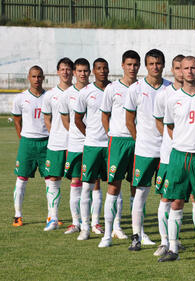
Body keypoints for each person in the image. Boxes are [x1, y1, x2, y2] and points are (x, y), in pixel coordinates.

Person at [158, 56, 195, 262]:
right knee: (176, 201)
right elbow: (170, 126)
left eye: (193, 68)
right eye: (185, 68)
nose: (189, 71)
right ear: (179, 70)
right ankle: (173, 248)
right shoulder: (172, 98)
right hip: (179, 156)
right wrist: (183, 143)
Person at [125, 49, 171, 251]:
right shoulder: (135, 89)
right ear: (146, 65)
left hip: (167, 150)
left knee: (167, 195)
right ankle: (136, 235)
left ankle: (166, 240)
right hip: (144, 150)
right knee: (140, 193)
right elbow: (129, 120)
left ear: (163, 64)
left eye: (159, 63)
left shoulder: (170, 88)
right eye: (152, 64)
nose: (155, 67)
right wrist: (140, 140)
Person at [98, 50, 141, 247]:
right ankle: (107, 234)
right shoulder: (112, 88)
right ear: (123, 65)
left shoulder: (143, 88)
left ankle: (137, 234)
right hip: (118, 141)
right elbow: (104, 114)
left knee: (137, 188)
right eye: (129, 64)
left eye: (135, 65)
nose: (132, 68)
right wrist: (110, 134)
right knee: (113, 186)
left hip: (139, 142)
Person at [74, 58, 110, 240]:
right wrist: (90, 134)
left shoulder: (115, 89)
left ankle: (107, 225)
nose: (102, 71)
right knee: (87, 186)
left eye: (105, 68)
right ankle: (85, 227)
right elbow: (77, 119)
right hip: (92, 146)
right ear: (93, 71)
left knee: (113, 186)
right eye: (99, 68)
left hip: (112, 145)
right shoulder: (86, 92)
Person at [153, 54, 185, 256]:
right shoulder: (164, 94)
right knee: (166, 198)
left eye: (185, 68)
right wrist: (173, 141)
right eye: (178, 68)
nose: (182, 72)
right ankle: (164, 241)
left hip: (192, 155)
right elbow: (160, 123)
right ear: (172, 70)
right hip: (169, 155)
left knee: (192, 198)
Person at [12, 66, 49, 227]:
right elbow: (16, 120)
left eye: (39, 76)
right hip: (27, 143)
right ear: (29, 77)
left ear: (43, 78)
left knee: (51, 180)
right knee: (21, 179)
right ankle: (17, 215)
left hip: (47, 143)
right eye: (34, 76)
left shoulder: (49, 97)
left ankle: (51, 216)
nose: (36, 79)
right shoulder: (20, 98)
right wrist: (22, 138)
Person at [59, 58, 91, 234]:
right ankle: (75, 222)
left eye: (85, 71)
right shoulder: (67, 94)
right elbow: (66, 120)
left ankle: (94, 223)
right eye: (79, 71)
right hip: (75, 144)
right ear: (74, 72)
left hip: (93, 144)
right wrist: (76, 133)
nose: (82, 74)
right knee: (75, 181)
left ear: (89, 72)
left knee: (93, 183)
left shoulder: (95, 91)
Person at [42, 57, 73, 231]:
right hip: (56, 144)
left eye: (68, 69)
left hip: (75, 144)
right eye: (63, 69)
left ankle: (82, 220)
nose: (66, 72)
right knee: (53, 179)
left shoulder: (78, 93)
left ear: (73, 71)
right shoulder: (50, 95)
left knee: (80, 181)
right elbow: (47, 118)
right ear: (58, 71)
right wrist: (54, 133)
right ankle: (53, 218)